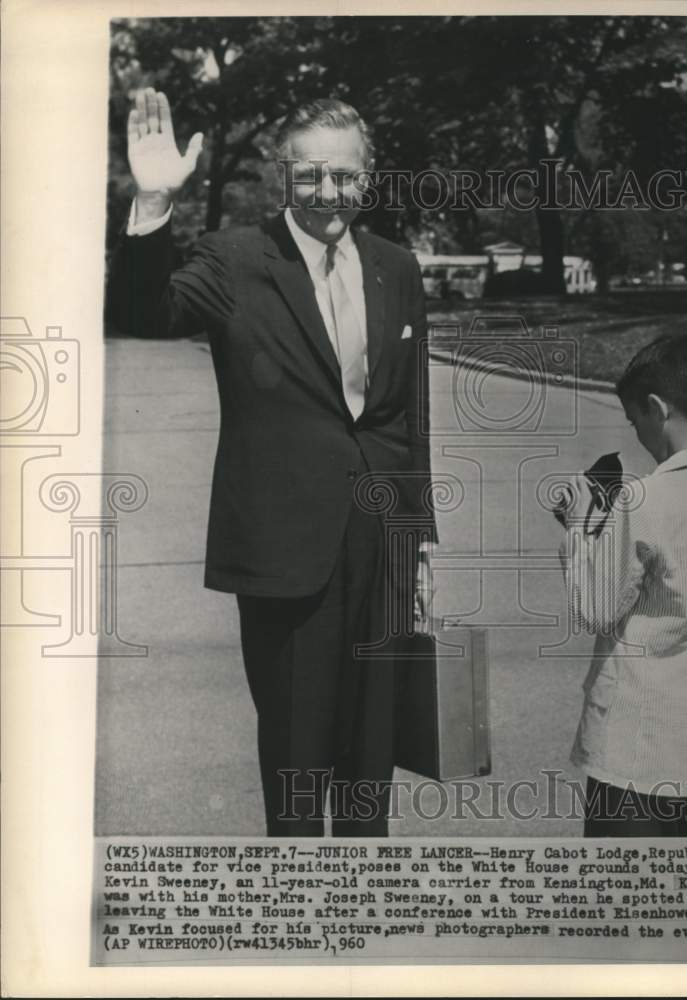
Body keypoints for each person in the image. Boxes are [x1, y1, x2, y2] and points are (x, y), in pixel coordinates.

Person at [107, 87, 437, 836]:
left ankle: (360, 907)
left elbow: (406, 415)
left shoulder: (397, 266)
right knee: (295, 750)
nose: (328, 191)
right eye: (311, 174)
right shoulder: (234, 258)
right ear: (282, 175)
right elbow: (140, 314)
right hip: (284, 550)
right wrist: (152, 201)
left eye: (344, 176)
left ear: (369, 175)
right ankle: (295, 911)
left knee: (370, 754)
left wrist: (420, 541)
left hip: (381, 544)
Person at [558, 334, 687, 836]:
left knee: (624, 907)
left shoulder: (644, 501)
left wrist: (581, 527)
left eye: (636, 421)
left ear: (656, 408)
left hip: (632, 753)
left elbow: (596, 608)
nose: (638, 435)